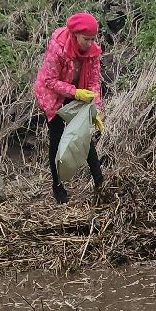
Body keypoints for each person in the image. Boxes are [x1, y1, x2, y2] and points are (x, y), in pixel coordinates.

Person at [34, 12, 105, 204]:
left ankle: (100, 182)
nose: (89, 43)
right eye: (85, 39)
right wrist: (75, 93)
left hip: (76, 93)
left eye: (92, 39)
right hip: (52, 95)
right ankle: (57, 186)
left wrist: (95, 111)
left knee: (85, 135)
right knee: (56, 138)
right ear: (75, 35)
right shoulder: (58, 47)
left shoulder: (93, 52)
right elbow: (49, 80)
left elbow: (94, 83)